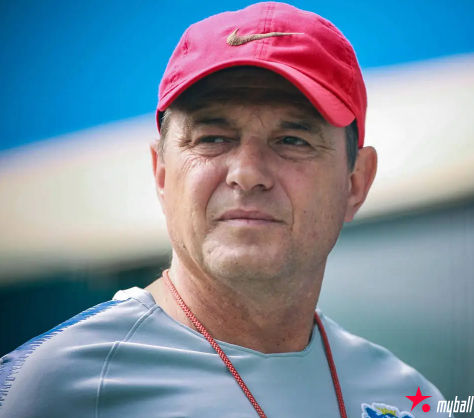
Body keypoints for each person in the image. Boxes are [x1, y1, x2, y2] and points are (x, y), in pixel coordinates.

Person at [0, 2, 450, 417]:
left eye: (292, 140)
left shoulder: (412, 399)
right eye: (213, 138)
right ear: (161, 173)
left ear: (355, 183)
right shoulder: (58, 386)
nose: (247, 173)